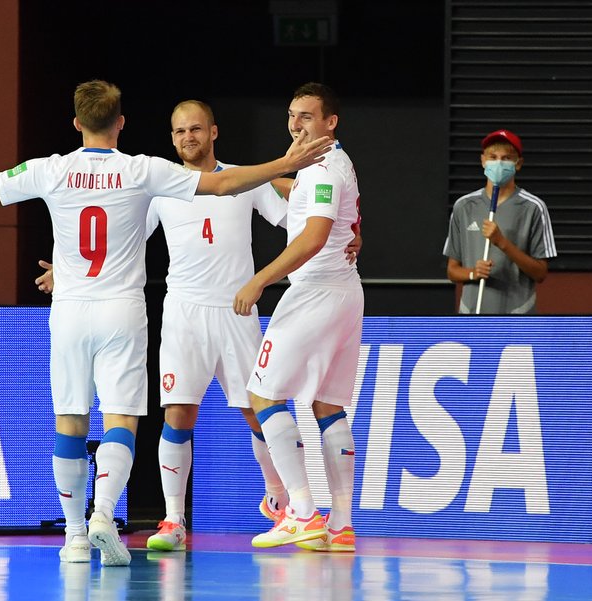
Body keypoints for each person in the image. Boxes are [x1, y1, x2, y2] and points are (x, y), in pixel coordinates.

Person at [0, 79, 333, 567]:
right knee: (122, 421)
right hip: (121, 310)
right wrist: (284, 164)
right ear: (121, 123)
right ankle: (105, 513)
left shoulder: (51, 169)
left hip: (70, 309)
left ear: (76, 122)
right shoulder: (143, 171)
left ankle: (74, 535)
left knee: (69, 420)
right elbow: (222, 183)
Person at [36, 99, 361, 554]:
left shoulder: (246, 180)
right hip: (184, 315)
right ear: (172, 139)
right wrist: (66, 273)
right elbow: (116, 238)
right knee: (177, 415)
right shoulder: (159, 187)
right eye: (179, 131)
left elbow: (298, 220)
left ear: (213, 132)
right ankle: (173, 520)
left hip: (236, 312)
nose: (188, 137)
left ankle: (287, 504)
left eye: (196, 129)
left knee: (259, 410)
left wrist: (348, 230)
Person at [233, 82, 362, 552]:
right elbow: (305, 193)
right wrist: (270, 172)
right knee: (328, 404)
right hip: (345, 292)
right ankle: (340, 524)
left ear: (331, 122)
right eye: (291, 115)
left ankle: (302, 513)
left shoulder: (326, 167)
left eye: (307, 116)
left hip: (315, 293)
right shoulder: (324, 166)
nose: (295, 123)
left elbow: (312, 236)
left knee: (262, 395)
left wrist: (258, 281)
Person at [443, 129, 556, 314]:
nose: (498, 163)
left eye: (506, 158)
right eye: (493, 157)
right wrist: (473, 272)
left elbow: (540, 273)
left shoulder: (534, 207)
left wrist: (502, 243)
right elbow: (452, 270)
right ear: (483, 161)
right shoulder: (463, 206)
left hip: (517, 318)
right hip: (471, 314)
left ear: (518, 164)